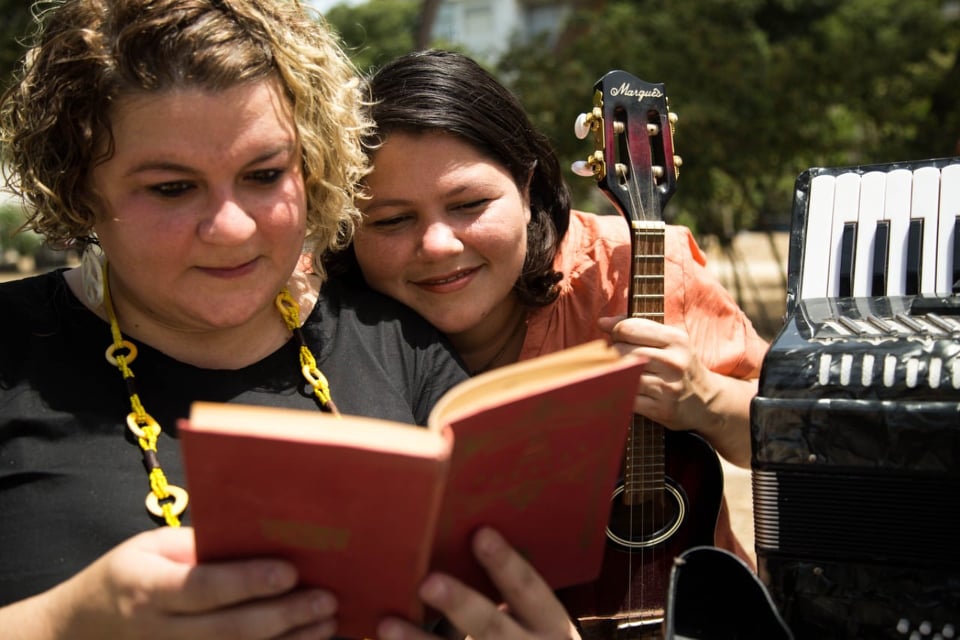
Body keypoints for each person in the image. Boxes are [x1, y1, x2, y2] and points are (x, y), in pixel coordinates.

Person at [0, 3, 581, 639]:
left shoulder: (402, 345)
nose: (231, 227)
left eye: (264, 174)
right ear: (81, 188)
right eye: (172, 188)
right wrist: (66, 621)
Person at [325, 49, 770, 568]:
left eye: (469, 205)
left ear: (527, 187)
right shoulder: (323, 334)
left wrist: (706, 399)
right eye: (391, 221)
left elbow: (797, 442)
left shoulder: (634, 268)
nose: (439, 245)